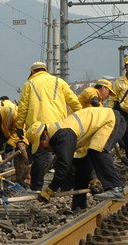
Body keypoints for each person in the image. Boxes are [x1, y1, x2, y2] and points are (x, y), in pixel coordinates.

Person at [26, 108, 127, 211]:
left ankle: (116, 187)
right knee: (79, 163)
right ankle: (78, 207)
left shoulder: (62, 135)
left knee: (98, 150)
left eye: (40, 144)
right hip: (102, 125)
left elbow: (64, 165)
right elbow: (82, 158)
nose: (42, 148)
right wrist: (93, 178)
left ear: (46, 134)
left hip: (110, 120)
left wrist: (51, 189)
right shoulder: (61, 134)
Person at [15, 61, 80, 192]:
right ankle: (66, 186)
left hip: (38, 127)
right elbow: (74, 101)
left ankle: (36, 187)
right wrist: (78, 118)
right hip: (59, 126)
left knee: (38, 156)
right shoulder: (59, 82)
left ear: (32, 72)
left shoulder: (29, 84)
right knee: (64, 155)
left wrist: (19, 125)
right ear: (45, 69)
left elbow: (22, 107)